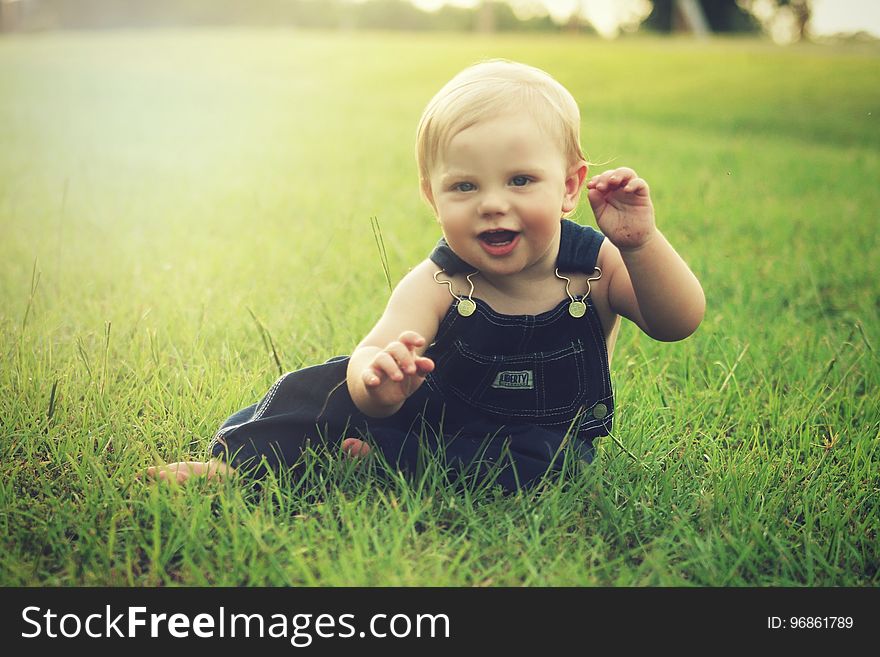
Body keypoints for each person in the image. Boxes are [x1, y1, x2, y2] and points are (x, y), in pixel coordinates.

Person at [147, 60, 705, 490]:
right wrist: (379, 384)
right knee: (322, 388)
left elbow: (676, 321)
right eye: (464, 186)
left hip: (534, 442)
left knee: (549, 464)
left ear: (567, 186)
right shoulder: (439, 281)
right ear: (432, 198)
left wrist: (642, 244)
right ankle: (238, 464)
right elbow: (375, 350)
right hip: (428, 417)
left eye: (520, 180)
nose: (492, 203)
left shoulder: (599, 266)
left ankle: (381, 463)